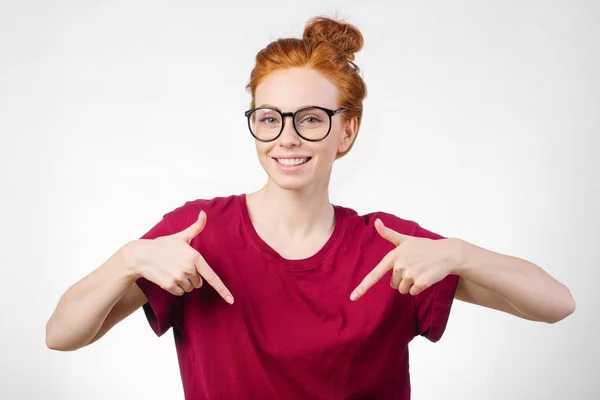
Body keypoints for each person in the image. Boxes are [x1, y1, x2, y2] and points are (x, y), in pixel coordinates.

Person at [46, 16, 575, 400]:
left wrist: (459, 254)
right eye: (269, 118)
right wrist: (128, 260)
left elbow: (556, 304)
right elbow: (62, 335)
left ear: (347, 130)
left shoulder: (389, 246)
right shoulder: (196, 235)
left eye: (312, 119)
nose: (287, 139)